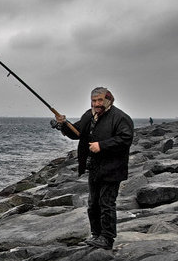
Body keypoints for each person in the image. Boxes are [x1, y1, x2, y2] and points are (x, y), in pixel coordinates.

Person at [52, 87, 134, 250]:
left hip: (113, 169)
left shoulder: (120, 118)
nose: (97, 104)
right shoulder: (89, 115)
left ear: (108, 100)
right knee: (93, 204)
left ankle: (107, 238)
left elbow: (125, 138)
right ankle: (96, 235)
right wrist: (63, 124)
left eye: (100, 100)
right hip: (95, 168)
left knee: (106, 203)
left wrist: (102, 146)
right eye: (94, 101)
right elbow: (77, 133)